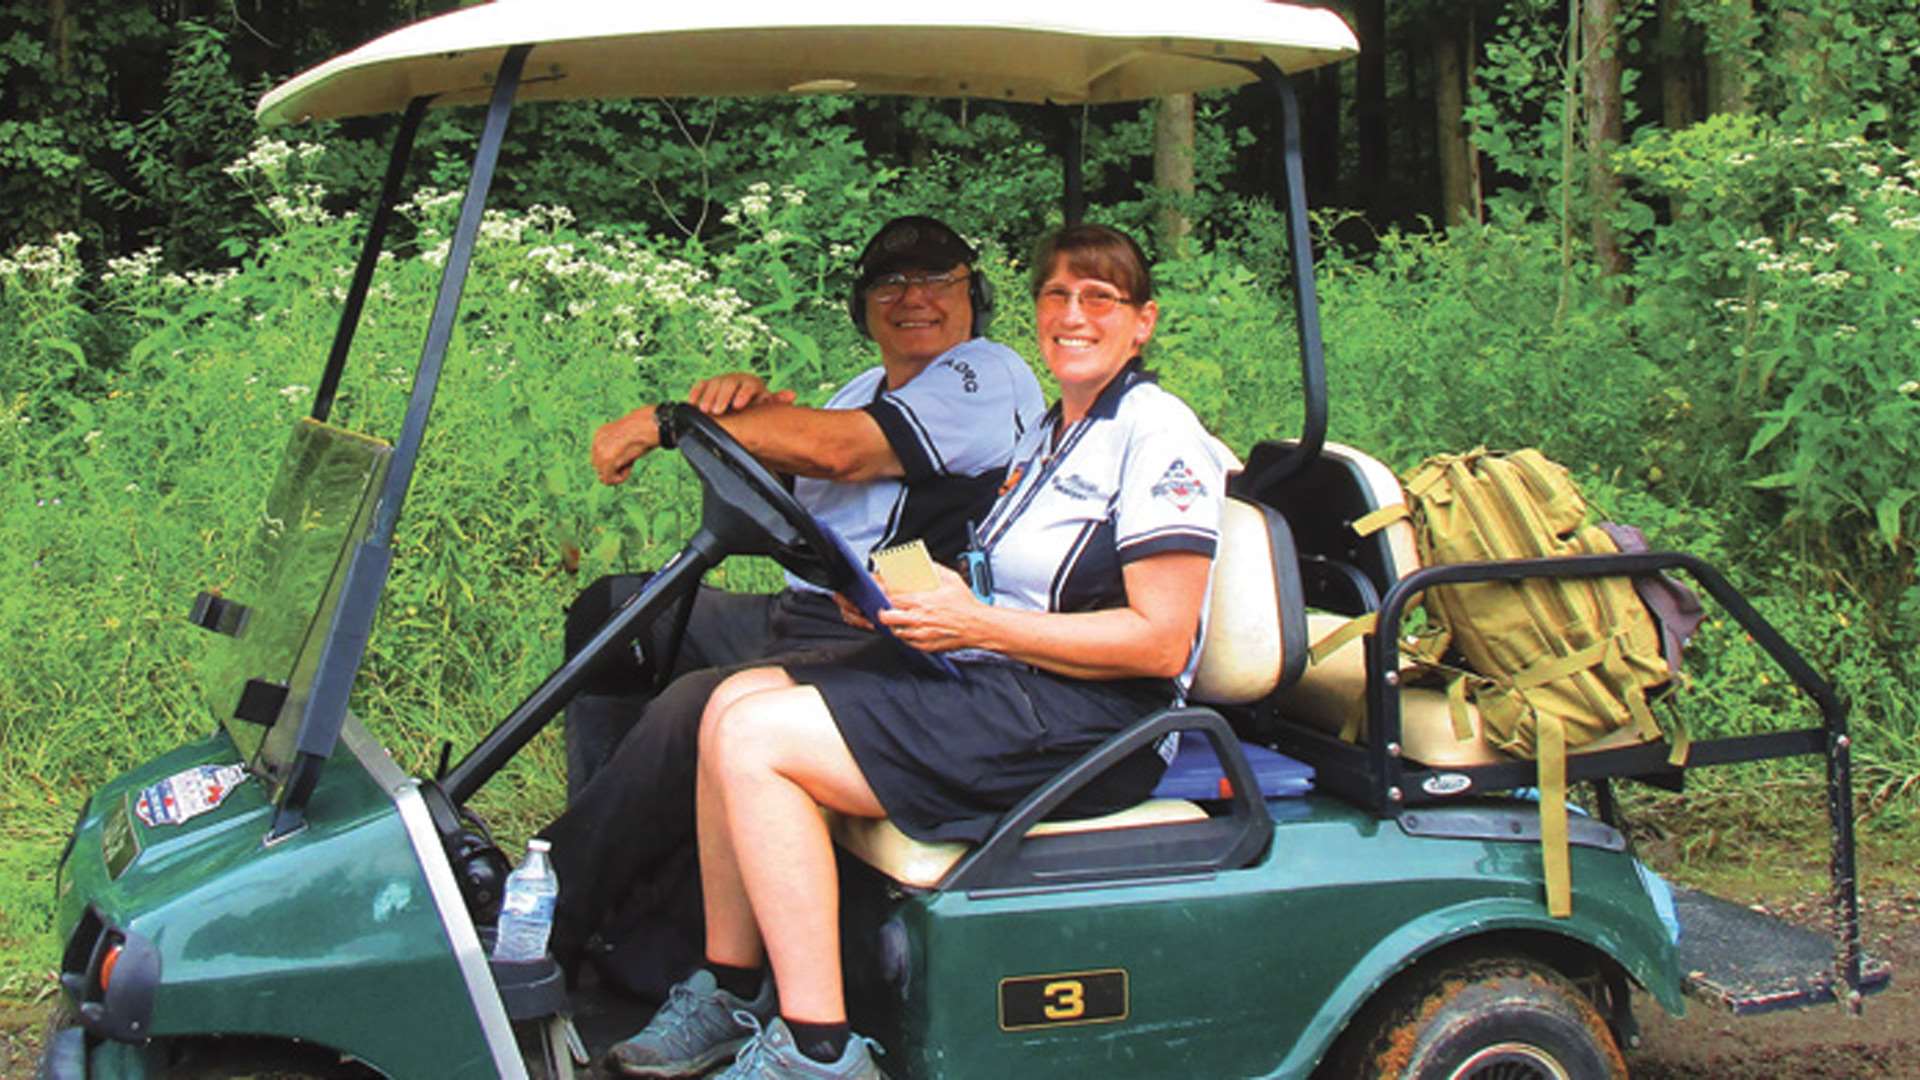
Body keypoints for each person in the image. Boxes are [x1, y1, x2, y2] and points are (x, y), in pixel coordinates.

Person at [607, 223, 1235, 1079]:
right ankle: (732, 987)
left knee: (760, 741)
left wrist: (978, 626)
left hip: (1097, 720)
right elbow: (974, 554)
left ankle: (819, 1052)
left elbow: (1160, 643)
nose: (1074, 317)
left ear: (1142, 321)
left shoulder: (1159, 437)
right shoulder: (1054, 433)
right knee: (729, 707)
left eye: (1101, 299)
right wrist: (895, 596)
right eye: (1058, 296)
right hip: (1008, 682)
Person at [543, 216, 1046, 991]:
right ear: (863, 305)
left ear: (973, 295)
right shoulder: (865, 388)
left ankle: (554, 915)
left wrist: (671, 421)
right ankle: (629, 896)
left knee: (695, 706)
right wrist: (748, 410)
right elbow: (796, 471)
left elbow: (840, 450)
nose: (914, 298)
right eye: (890, 283)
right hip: (802, 613)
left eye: (938, 280)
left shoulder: (986, 375)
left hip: (895, 638)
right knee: (617, 613)